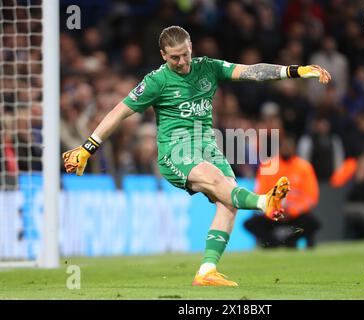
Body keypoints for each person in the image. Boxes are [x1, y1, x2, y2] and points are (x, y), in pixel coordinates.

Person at [62, 26, 331, 286]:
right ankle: (264, 203)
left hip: (208, 147)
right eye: (174, 57)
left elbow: (251, 72)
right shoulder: (157, 81)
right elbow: (119, 112)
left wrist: (295, 71)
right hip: (176, 151)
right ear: (163, 56)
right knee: (219, 183)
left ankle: (207, 270)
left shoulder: (208, 67)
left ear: (191, 47)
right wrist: (88, 148)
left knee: (229, 202)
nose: (182, 62)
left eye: (185, 54)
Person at [245, 136, 321, 248]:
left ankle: (289, 241)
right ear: (279, 148)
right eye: (284, 146)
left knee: (312, 223)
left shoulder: (304, 167)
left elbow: (311, 196)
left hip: (295, 215)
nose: (287, 149)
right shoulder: (268, 166)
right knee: (250, 224)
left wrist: (293, 210)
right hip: (273, 214)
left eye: (289, 146)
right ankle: (272, 243)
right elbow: (260, 194)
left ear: (294, 148)